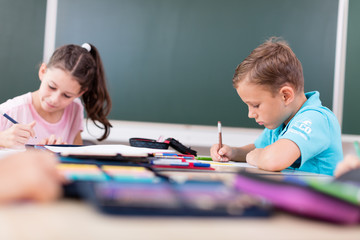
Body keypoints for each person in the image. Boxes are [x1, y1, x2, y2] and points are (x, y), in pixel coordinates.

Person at [210, 37, 343, 176]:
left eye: (255, 105)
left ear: (285, 96)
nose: (250, 114)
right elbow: (257, 149)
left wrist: (255, 157)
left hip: (319, 197)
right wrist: (233, 152)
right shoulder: (281, 122)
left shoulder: (316, 119)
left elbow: (272, 159)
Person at [0, 43, 112, 148]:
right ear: (42, 71)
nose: (54, 99)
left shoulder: (75, 108)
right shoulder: (10, 110)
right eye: (52, 87)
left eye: (67, 95)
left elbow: (77, 158)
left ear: (80, 93)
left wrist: (60, 154)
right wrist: (1, 139)